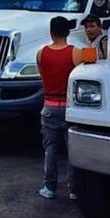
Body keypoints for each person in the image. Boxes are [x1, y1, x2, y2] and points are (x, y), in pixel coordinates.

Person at [36, 16, 90, 200]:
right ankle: (74, 189)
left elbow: (42, 74)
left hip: (49, 107)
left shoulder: (41, 53)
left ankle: (49, 187)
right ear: (68, 32)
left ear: (51, 33)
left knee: (50, 149)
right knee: (72, 151)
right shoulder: (76, 53)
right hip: (70, 108)